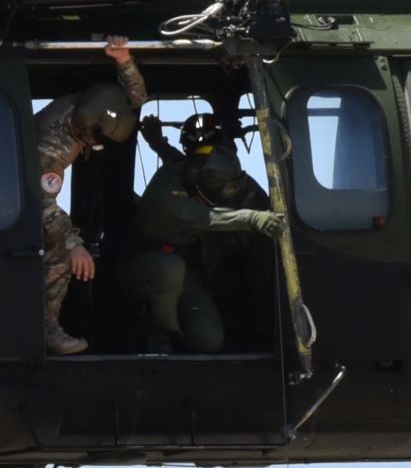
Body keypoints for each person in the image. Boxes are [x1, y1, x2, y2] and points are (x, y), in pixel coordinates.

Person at [121, 110, 283, 354]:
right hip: (142, 264)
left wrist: (158, 144)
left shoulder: (197, 170)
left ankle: (182, 347)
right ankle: (161, 338)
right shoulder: (167, 193)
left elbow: (184, 163)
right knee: (170, 268)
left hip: (183, 271)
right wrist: (251, 218)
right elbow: (204, 217)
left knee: (209, 341)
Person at [31, 37, 147, 356]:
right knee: (57, 255)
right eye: (94, 140)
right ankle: (46, 332)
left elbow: (135, 99)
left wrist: (124, 61)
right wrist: (74, 245)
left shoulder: (92, 104)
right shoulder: (51, 149)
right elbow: (42, 203)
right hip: (10, 199)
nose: (97, 146)